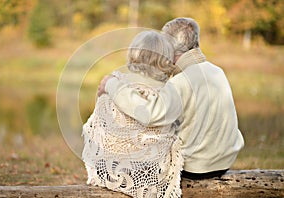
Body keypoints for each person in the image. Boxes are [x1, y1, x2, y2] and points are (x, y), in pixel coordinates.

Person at [98, 18, 245, 180]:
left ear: (169, 48)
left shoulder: (180, 82)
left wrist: (111, 85)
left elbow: (149, 114)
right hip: (224, 161)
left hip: (197, 167)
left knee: (128, 161)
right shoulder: (217, 72)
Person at [82, 31, 184, 198]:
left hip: (109, 168)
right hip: (152, 171)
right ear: (166, 59)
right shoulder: (169, 91)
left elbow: (99, 124)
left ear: (133, 53)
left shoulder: (114, 81)